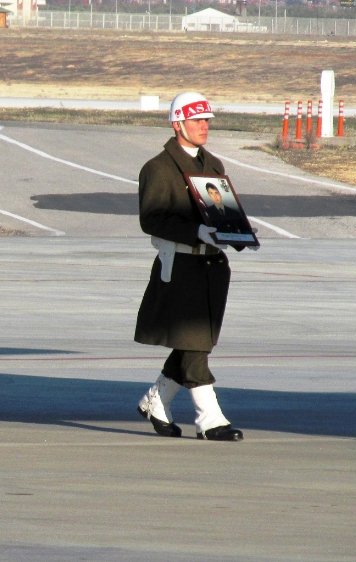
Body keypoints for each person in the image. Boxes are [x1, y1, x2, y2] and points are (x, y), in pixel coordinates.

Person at [134, 91, 246, 441]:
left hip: (212, 266)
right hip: (180, 265)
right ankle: (210, 418)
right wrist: (196, 231)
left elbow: (223, 209)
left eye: (207, 121)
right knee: (195, 344)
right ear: (178, 123)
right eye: (197, 121)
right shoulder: (157, 168)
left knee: (195, 341)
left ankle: (157, 400)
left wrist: (238, 231)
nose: (204, 127)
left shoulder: (213, 165)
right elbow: (151, 219)